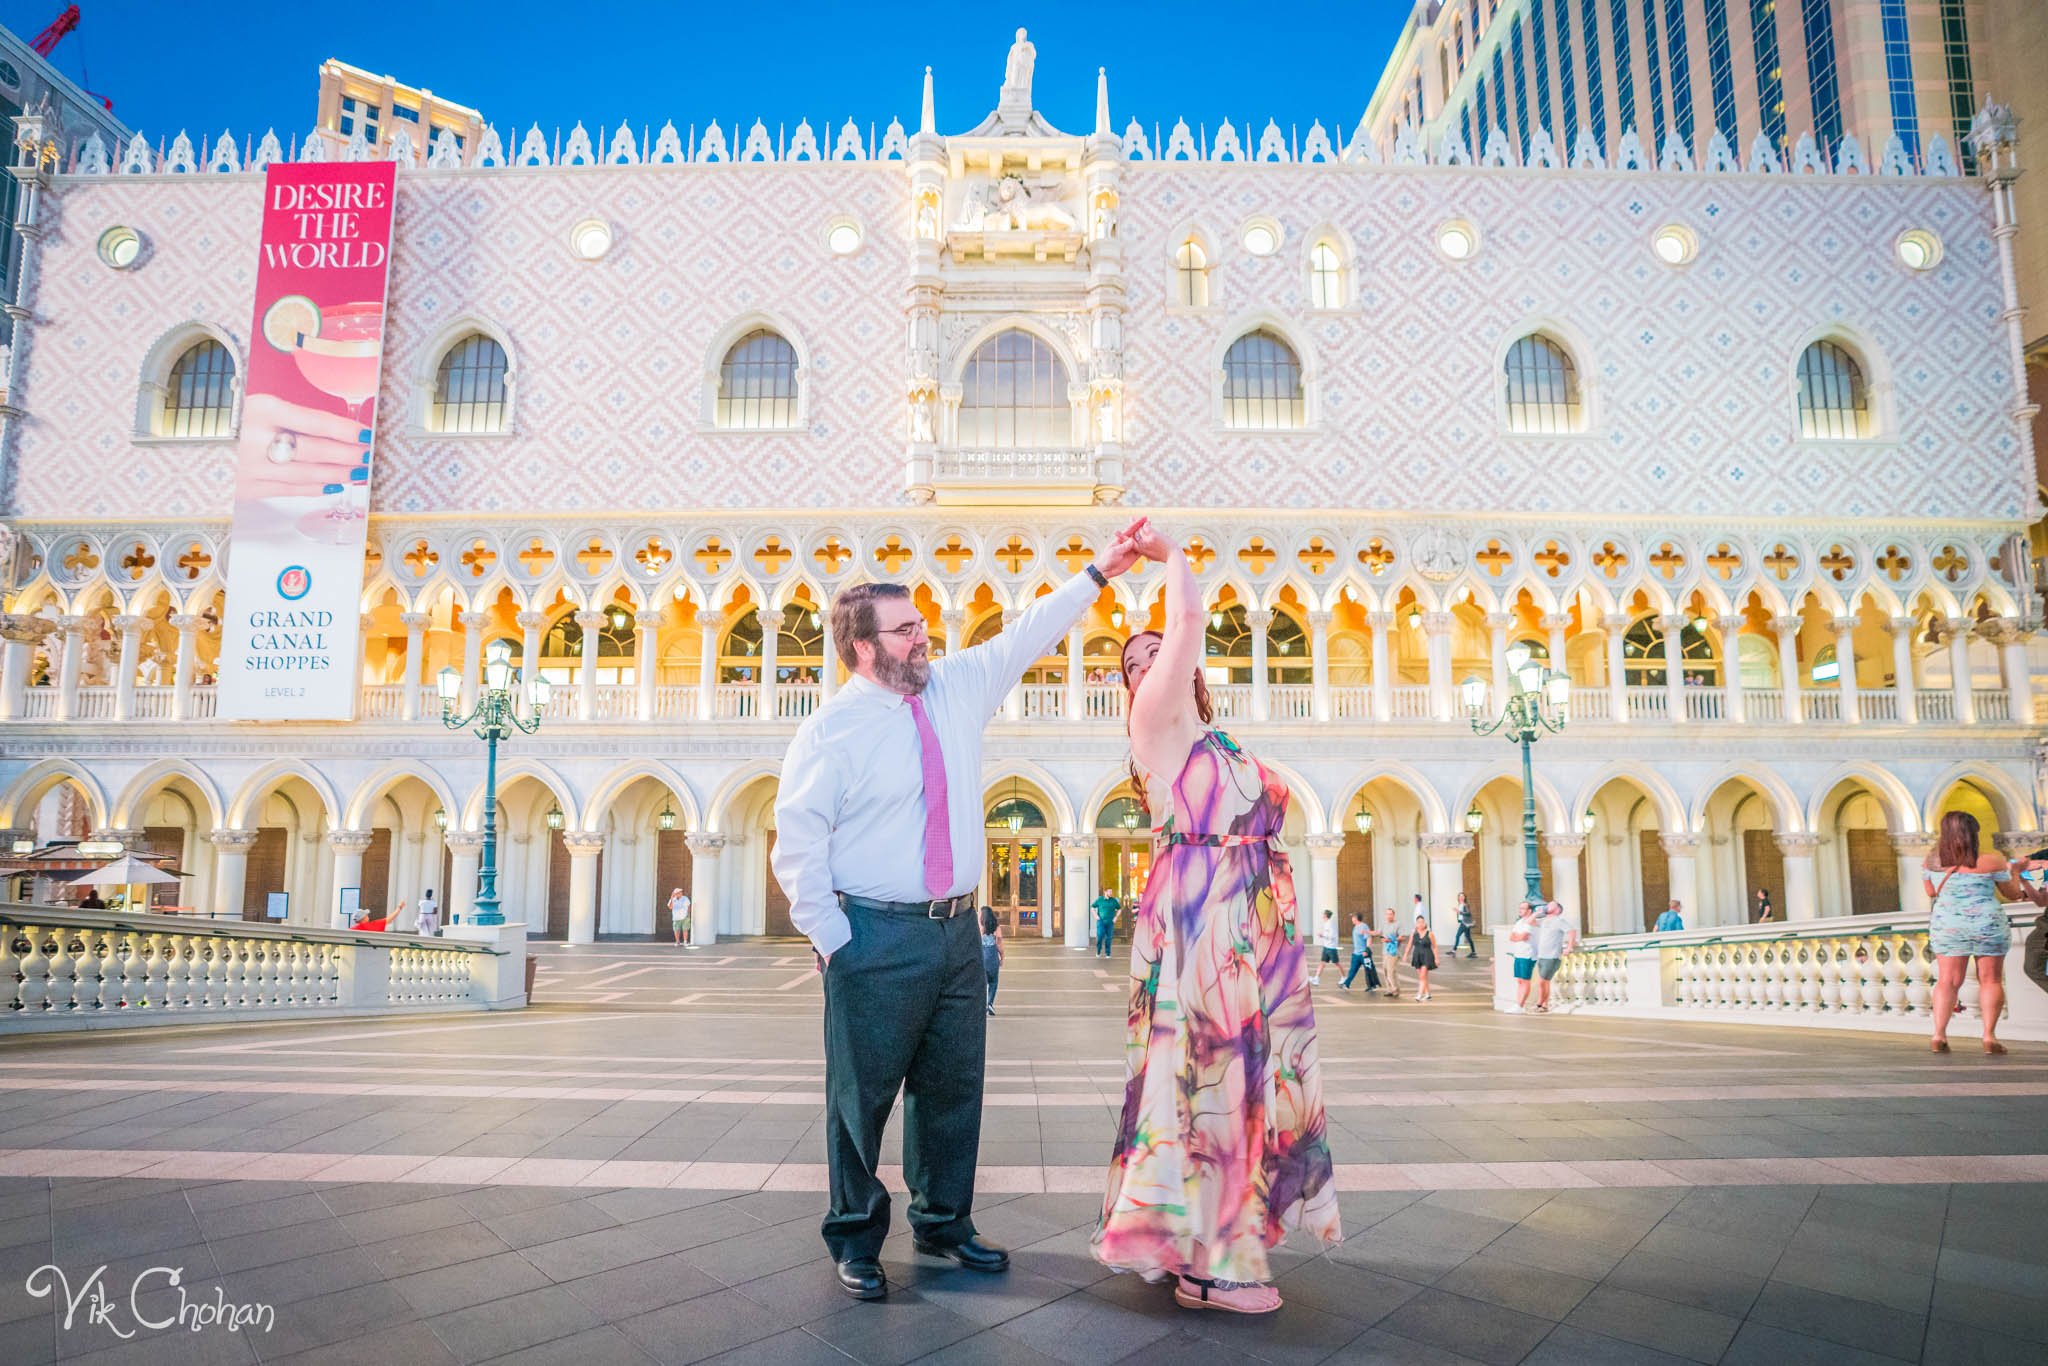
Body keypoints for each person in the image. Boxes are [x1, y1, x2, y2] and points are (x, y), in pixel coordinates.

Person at [773, 516, 1145, 1302]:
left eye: (921, 624)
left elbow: (1025, 634)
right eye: (906, 629)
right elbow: (798, 840)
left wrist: (1098, 573)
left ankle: (943, 1221)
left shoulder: (953, 689)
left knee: (952, 1088)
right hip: (874, 932)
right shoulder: (830, 730)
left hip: (956, 934)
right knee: (861, 1100)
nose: (923, 636)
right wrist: (834, 938)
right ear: (864, 646)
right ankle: (856, 1237)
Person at [1092, 521, 1339, 1315]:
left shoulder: (1214, 737)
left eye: (1154, 655)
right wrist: (1172, 558)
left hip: (1240, 915)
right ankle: (1212, 1264)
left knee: (1229, 1078)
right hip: (1206, 919)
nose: (1147, 667)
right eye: (1133, 665)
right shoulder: (1157, 724)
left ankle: (1197, 1245)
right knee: (1215, 1078)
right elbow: (1190, 625)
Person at [1923, 810, 2025, 1055]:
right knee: (1990, 980)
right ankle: (1989, 1036)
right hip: (1987, 924)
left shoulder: (1931, 862)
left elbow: (1930, 892)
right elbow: (2011, 894)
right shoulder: (1993, 861)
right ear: (1973, 835)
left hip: (1948, 924)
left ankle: (1939, 1034)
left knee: (1947, 981)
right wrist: (2016, 870)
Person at [1533, 901, 1575, 1012]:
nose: (1547, 905)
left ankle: (1539, 1004)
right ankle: (1544, 1005)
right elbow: (1529, 922)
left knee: (1542, 981)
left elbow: (1571, 931)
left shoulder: (1559, 921)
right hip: (1541, 955)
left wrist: (1569, 947)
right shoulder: (1544, 920)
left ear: (1557, 909)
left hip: (1552, 956)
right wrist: (1537, 913)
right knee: (1545, 982)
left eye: (1551, 904)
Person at [1505, 902, 1539, 1013]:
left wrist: (1519, 937)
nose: (1520, 910)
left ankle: (1520, 1005)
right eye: (1520, 908)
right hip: (1518, 954)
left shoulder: (1531, 922)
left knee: (1525, 980)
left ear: (1529, 911)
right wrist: (1519, 937)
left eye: (1523, 908)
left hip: (1527, 955)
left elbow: (1524, 936)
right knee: (1519, 980)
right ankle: (1518, 1004)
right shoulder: (1519, 922)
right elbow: (1512, 937)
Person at [1339, 911, 1379, 991]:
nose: (1352, 919)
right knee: (1352, 970)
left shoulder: (1363, 926)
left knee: (1369, 969)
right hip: (1356, 953)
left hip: (1364, 953)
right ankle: (1346, 984)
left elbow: (1369, 938)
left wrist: (1367, 950)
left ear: (1356, 918)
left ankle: (1372, 985)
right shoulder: (1355, 927)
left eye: (1353, 917)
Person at [1409, 908, 1439, 1001]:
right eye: (1418, 922)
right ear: (1416, 924)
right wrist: (1406, 954)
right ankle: (1427, 994)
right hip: (1417, 956)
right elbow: (1410, 944)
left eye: (1422, 922)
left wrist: (1436, 958)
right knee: (1423, 976)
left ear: (1425, 923)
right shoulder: (1414, 933)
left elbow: (1434, 946)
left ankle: (1419, 994)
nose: (1420, 924)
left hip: (1427, 956)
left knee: (1422, 976)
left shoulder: (1430, 934)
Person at [979, 906, 1004, 1015]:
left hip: (982, 958)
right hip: (993, 957)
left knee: (982, 983)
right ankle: (990, 1003)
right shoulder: (996, 928)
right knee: (993, 982)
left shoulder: (979, 927)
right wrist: (1002, 956)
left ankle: (982, 1005)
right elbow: (999, 944)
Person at [1312, 909, 1341, 986]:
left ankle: (1344, 977)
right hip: (1326, 947)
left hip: (1331, 947)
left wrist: (1323, 935)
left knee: (1337, 963)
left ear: (1325, 915)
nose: (1322, 915)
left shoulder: (1330, 924)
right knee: (1322, 963)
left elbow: (1332, 935)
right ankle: (1316, 978)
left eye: (1323, 914)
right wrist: (1323, 935)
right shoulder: (1326, 923)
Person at [1380, 908, 1404, 997]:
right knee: (1386, 971)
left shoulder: (1398, 924)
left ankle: (1396, 989)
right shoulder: (1384, 924)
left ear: (1393, 915)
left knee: (1391, 971)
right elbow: (1381, 936)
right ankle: (1389, 989)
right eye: (1387, 914)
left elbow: (1402, 937)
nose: (1389, 916)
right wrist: (1383, 939)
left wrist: (1391, 940)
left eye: (1390, 914)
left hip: (1394, 952)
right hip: (1385, 951)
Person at [1092, 888, 1120, 957]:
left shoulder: (1113, 900)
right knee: (1100, 936)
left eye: (1111, 891)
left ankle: (1108, 953)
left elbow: (1119, 909)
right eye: (1109, 892)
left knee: (1109, 938)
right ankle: (1098, 950)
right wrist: (1096, 916)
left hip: (1110, 922)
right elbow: (1092, 907)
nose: (1111, 893)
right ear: (1105, 892)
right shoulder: (1100, 899)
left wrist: (1116, 917)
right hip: (1101, 921)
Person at [1451, 892, 1477, 958]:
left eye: (1462, 896)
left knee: (1457, 935)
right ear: (1458, 898)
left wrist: (1459, 912)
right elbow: (1460, 914)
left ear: (1464, 897)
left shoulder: (1465, 905)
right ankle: (1473, 952)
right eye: (1460, 896)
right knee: (1468, 937)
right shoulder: (1460, 905)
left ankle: (1453, 951)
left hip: (1465, 923)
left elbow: (1468, 913)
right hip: (1464, 922)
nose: (1461, 897)